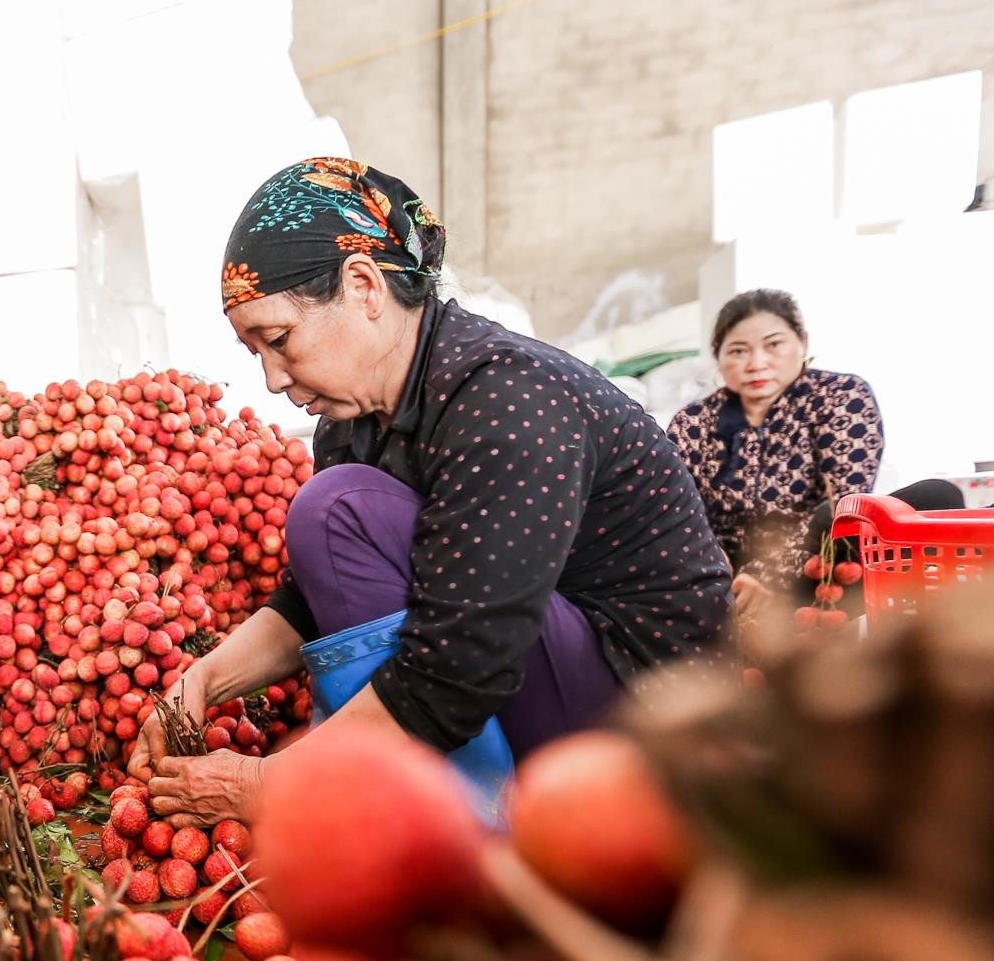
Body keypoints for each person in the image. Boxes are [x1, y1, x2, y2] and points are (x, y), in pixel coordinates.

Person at [132, 157, 730, 826]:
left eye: (280, 341)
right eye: (257, 355)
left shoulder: (506, 402)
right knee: (335, 510)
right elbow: (309, 595)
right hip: (541, 671)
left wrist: (273, 786)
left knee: (336, 509)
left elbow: (459, 659)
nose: (273, 378)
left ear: (363, 287)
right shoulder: (356, 420)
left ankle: (462, 823)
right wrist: (203, 681)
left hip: (648, 715)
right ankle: (412, 792)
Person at [667, 289, 883, 617]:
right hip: (717, 578)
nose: (756, 364)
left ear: (803, 343)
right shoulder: (693, 421)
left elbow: (845, 499)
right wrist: (717, 572)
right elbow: (679, 512)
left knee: (928, 496)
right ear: (719, 357)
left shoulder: (841, 397)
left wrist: (769, 573)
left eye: (774, 345)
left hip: (814, 566)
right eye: (738, 351)